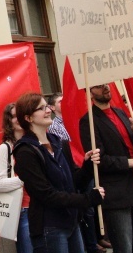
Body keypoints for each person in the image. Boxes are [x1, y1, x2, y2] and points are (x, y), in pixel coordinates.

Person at [13, 92, 104, 253]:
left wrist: (88, 167)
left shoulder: (59, 143)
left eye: (47, 106)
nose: (48, 110)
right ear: (28, 118)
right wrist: (87, 199)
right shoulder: (25, 151)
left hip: (71, 222)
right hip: (49, 226)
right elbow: (46, 194)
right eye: (41, 108)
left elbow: (75, 181)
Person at [79, 83, 133, 253]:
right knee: (124, 247)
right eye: (98, 86)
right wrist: (132, 163)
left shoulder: (120, 112)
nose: (105, 88)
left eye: (105, 84)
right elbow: (99, 160)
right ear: (89, 93)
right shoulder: (88, 121)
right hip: (116, 192)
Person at [0, 103, 32, 253]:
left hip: (41, 208)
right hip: (22, 211)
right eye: (15, 116)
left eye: (21, 115)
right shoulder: (6, 148)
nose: (19, 119)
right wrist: (26, 178)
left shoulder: (35, 143)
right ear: (9, 121)